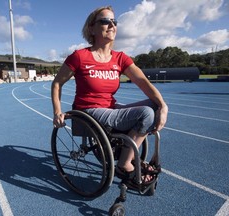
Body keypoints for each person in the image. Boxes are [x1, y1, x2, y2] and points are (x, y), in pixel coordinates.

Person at [51, 6, 168, 186]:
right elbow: (57, 83)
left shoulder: (120, 58)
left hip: (110, 108)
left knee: (153, 106)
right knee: (145, 114)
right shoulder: (80, 57)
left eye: (114, 22)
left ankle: (127, 154)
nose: (111, 25)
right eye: (105, 21)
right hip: (88, 111)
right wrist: (57, 111)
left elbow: (143, 82)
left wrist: (163, 106)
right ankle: (124, 164)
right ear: (92, 28)